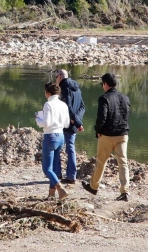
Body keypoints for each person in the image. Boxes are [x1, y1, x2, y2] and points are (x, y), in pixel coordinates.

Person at [81, 72, 130, 201]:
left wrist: (98, 130)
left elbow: (101, 117)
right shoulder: (125, 98)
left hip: (107, 135)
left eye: (102, 84)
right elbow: (125, 116)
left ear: (105, 84)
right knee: (123, 163)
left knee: (101, 162)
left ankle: (94, 187)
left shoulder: (104, 98)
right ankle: (125, 191)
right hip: (122, 134)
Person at [35, 82, 70, 200]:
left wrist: (38, 120)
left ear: (48, 93)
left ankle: (60, 188)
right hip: (61, 136)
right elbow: (67, 124)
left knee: (47, 169)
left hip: (50, 136)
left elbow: (46, 123)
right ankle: (51, 195)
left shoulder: (48, 104)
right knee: (54, 168)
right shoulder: (63, 105)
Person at [52, 69, 85, 185]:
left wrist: (74, 121)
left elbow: (67, 107)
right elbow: (82, 107)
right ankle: (71, 176)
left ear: (60, 76)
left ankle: (57, 174)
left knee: (57, 148)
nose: (55, 79)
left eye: (56, 77)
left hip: (63, 123)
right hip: (73, 124)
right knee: (70, 149)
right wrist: (78, 122)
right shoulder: (77, 88)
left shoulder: (63, 88)